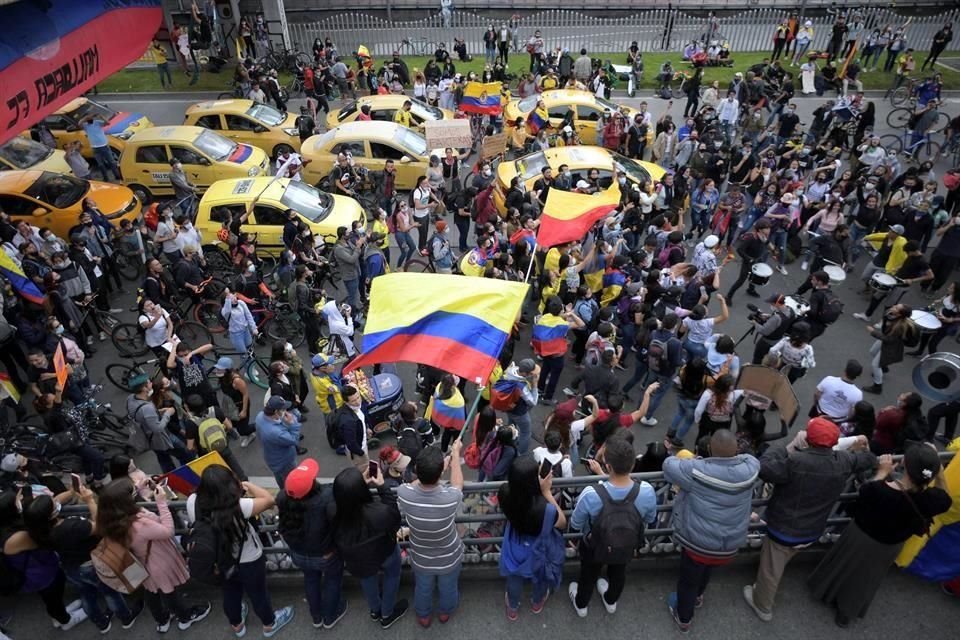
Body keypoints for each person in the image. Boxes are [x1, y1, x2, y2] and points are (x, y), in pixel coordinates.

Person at [742, 418, 876, 622]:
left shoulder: (795, 461)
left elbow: (764, 467)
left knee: (771, 570)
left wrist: (784, 447)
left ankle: (762, 605)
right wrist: (859, 443)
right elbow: (869, 459)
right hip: (814, 528)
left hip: (783, 529)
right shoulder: (843, 460)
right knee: (786, 556)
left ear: (808, 439)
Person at [808, 445, 951, 627]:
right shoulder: (931, 500)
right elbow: (945, 496)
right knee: (867, 578)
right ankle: (846, 612)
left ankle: (825, 590)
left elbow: (865, 491)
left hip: (859, 536)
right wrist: (938, 470)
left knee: (843, 564)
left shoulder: (880, 490)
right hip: (890, 545)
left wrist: (882, 472)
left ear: (904, 463)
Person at [663, 430, 760, 633]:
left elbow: (668, 465)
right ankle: (699, 596)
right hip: (728, 544)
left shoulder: (698, 471)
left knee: (688, 581)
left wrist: (697, 460)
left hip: (698, 543)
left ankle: (684, 618)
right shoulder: (750, 469)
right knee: (707, 569)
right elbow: (751, 457)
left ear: (709, 450)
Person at [188, 466, 294, 637]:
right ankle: (269, 624)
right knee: (258, 593)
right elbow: (268, 500)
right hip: (248, 560)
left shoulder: (192, 501)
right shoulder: (239, 506)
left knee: (230, 591)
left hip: (220, 561)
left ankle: (237, 625)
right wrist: (247, 485)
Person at [23, 483, 143, 632]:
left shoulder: (37, 530)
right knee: (110, 592)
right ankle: (126, 617)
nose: (55, 500)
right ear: (52, 514)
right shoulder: (71, 527)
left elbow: (54, 502)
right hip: (91, 565)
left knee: (87, 594)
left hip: (70, 567)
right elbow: (100, 527)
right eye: (53, 503)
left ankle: (101, 623)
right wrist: (90, 500)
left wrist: (72, 491)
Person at [96, 479, 211, 633]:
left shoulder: (111, 520)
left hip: (139, 563)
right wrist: (161, 503)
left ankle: (162, 620)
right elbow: (167, 531)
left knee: (152, 591)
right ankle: (185, 617)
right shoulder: (140, 524)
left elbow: (119, 501)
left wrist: (137, 488)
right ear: (126, 502)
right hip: (158, 562)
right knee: (168, 592)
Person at [568, 434, 656, 617]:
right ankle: (610, 600)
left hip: (594, 544)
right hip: (627, 543)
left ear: (607, 466)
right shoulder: (647, 491)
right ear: (632, 465)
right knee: (619, 571)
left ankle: (582, 604)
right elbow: (649, 519)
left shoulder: (591, 493)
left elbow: (576, 523)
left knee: (588, 573)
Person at [397, 443, 465, 627]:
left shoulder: (404, 493)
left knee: (423, 588)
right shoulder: (450, 498)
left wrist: (430, 470)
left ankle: (424, 615)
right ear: (441, 473)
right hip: (449, 556)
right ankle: (445, 612)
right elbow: (458, 483)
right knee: (449, 587)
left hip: (420, 556)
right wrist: (455, 455)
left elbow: (414, 485)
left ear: (417, 471)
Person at [331, 466, 408, 628]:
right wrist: (382, 487)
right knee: (392, 575)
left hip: (356, 559)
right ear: (361, 490)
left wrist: (356, 487)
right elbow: (394, 521)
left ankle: (375, 609)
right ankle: (387, 614)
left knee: (367, 579)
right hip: (384, 551)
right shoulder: (378, 512)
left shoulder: (332, 511)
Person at [276, 459, 346, 629]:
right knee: (332, 581)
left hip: (298, 554)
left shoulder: (283, 499)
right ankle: (330, 617)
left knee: (311, 580)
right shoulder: (325, 499)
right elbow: (333, 491)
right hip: (325, 554)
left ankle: (316, 618)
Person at [498, 456, 567, 621]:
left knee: (514, 577)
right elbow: (562, 523)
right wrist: (546, 492)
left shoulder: (504, 493)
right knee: (540, 578)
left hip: (514, 543)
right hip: (538, 547)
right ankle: (537, 602)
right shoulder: (546, 509)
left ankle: (512, 607)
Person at [126, 374, 194, 473]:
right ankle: (189, 472)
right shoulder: (147, 408)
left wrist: (157, 413)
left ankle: (171, 478)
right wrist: (168, 413)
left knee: (163, 459)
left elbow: (142, 417)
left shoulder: (131, 398)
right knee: (184, 453)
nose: (151, 383)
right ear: (144, 388)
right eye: (149, 383)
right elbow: (158, 428)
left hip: (148, 437)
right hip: (161, 438)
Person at [863, 303, 916, 395]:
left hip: (891, 345)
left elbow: (889, 340)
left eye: (896, 307)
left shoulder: (899, 327)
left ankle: (877, 387)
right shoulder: (891, 315)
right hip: (886, 338)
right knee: (873, 352)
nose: (893, 307)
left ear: (899, 314)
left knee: (875, 365)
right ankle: (884, 367)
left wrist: (873, 332)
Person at [255, 395, 303, 487]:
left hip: (272, 458)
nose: (285, 410)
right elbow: (294, 440)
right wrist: (293, 423)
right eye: (283, 409)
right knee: (290, 484)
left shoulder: (260, 416)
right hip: (284, 462)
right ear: (276, 412)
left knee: (281, 480)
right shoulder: (275, 433)